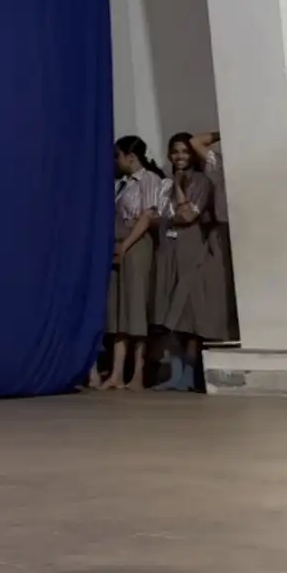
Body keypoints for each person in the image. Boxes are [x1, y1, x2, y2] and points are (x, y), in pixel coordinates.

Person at [152, 132, 226, 391]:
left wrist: (180, 187)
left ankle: (190, 373)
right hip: (168, 248)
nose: (179, 156)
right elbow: (157, 217)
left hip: (191, 246)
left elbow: (187, 216)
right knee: (167, 309)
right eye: (175, 151)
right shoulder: (164, 182)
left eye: (184, 151)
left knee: (189, 313)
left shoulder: (201, 181)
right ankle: (174, 372)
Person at [98, 135, 162, 390]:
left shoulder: (149, 180)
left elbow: (147, 216)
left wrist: (126, 244)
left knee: (136, 308)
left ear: (130, 156)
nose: (116, 161)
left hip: (137, 243)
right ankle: (116, 373)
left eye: (118, 156)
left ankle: (137, 373)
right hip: (120, 241)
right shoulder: (122, 184)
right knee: (119, 309)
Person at [188, 129, 239, 343]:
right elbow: (195, 141)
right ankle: (226, 333)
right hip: (222, 229)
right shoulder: (218, 163)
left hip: (245, 229)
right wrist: (227, 129)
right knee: (222, 285)